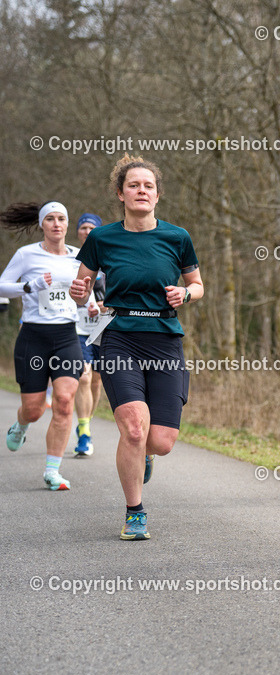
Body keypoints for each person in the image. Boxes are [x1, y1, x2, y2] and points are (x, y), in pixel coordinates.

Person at [70, 155, 203, 541]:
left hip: (164, 338)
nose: (141, 190)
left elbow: (198, 284)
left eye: (148, 186)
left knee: (159, 441)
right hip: (120, 336)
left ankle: (144, 454)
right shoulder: (102, 237)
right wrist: (78, 293)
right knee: (132, 427)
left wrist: (186, 293)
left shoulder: (177, 237)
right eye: (133, 185)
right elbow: (81, 290)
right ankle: (134, 511)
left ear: (157, 195)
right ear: (121, 193)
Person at [0, 201, 84, 491]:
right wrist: (29, 286)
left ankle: (52, 470)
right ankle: (21, 424)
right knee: (34, 410)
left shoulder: (78, 257)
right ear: (41, 225)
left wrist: (95, 303)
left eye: (61, 218)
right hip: (33, 337)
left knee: (63, 401)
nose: (57, 224)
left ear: (67, 223)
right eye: (50, 219)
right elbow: (2, 286)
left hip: (66, 337)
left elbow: (95, 285)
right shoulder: (26, 255)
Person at [72, 213, 106, 457]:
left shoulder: (110, 259)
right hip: (76, 328)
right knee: (83, 378)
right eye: (83, 227)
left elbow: (121, 296)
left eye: (92, 227)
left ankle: (86, 421)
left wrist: (101, 307)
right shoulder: (69, 260)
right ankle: (84, 433)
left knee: (96, 381)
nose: (87, 231)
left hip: (104, 328)